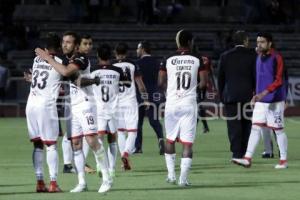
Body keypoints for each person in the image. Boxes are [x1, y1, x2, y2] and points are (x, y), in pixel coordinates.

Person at [35, 31, 113, 193]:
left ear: (76, 45)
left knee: (91, 140)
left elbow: (66, 73)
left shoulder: (80, 58)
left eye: (69, 42)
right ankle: (82, 182)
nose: (64, 45)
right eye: (63, 42)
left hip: (86, 104)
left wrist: (48, 58)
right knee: (75, 144)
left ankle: (107, 178)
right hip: (73, 106)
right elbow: (74, 79)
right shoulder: (65, 60)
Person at [232, 32, 288, 169]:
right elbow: (259, 79)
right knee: (255, 128)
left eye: (262, 42)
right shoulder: (258, 57)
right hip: (260, 100)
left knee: (278, 130)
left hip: (275, 100)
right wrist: (255, 95)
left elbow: (279, 80)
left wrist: (263, 93)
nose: (259, 44)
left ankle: (283, 161)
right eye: (257, 42)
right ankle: (247, 158)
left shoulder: (277, 57)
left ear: (270, 43)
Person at [158, 29, 205, 186]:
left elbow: (160, 82)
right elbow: (204, 83)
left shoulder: (168, 59)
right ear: (191, 42)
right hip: (188, 104)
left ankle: (171, 175)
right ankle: (183, 180)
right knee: (187, 143)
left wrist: (170, 92)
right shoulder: (198, 59)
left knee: (169, 140)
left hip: (171, 103)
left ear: (177, 42)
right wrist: (191, 90)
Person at [25, 32, 63, 193]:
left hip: (31, 104)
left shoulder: (36, 59)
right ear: (59, 46)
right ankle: (53, 183)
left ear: (45, 47)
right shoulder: (60, 62)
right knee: (51, 145)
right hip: (46, 106)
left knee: (38, 144)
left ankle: (40, 181)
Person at [91, 43, 131, 177]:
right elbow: (128, 83)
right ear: (110, 55)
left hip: (99, 109)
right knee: (112, 139)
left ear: (98, 55)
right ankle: (112, 169)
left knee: (99, 139)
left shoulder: (93, 70)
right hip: (113, 109)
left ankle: (99, 165)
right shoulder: (117, 70)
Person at [217, 30, 256, 159]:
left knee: (233, 125)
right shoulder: (253, 56)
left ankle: (236, 153)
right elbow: (256, 77)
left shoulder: (225, 56)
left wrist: (222, 95)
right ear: (245, 41)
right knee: (247, 124)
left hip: (230, 96)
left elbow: (220, 78)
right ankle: (245, 151)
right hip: (248, 96)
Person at [113, 42, 149, 170]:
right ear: (127, 53)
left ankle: (124, 163)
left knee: (121, 132)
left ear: (115, 53)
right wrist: (145, 99)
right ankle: (126, 153)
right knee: (133, 132)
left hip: (116, 103)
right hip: (130, 102)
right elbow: (141, 86)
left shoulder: (112, 66)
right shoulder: (133, 64)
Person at [135, 40, 165, 155]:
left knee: (138, 123)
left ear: (142, 49)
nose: (137, 51)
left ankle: (138, 147)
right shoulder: (158, 62)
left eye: (138, 48)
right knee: (154, 121)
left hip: (140, 96)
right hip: (155, 95)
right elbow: (161, 80)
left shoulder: (137, 63)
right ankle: (161, 139)